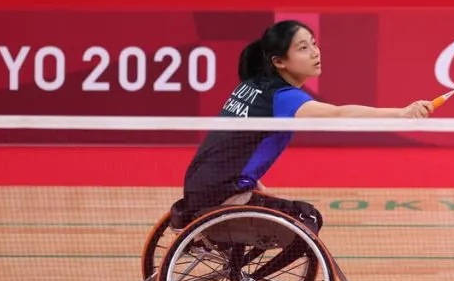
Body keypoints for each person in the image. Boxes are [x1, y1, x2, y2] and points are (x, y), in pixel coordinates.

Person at [171, 19, 435, 232]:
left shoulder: (251, 85)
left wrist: (250, 178)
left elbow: (234, 142)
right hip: (222, 196)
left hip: (198, 186)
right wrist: (401, 113)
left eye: (313, 43)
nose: (315, 52)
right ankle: (250, 274)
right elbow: (339, 114)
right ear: (279, 62)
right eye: (303, 48)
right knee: (308, 218)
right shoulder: (283, 97)